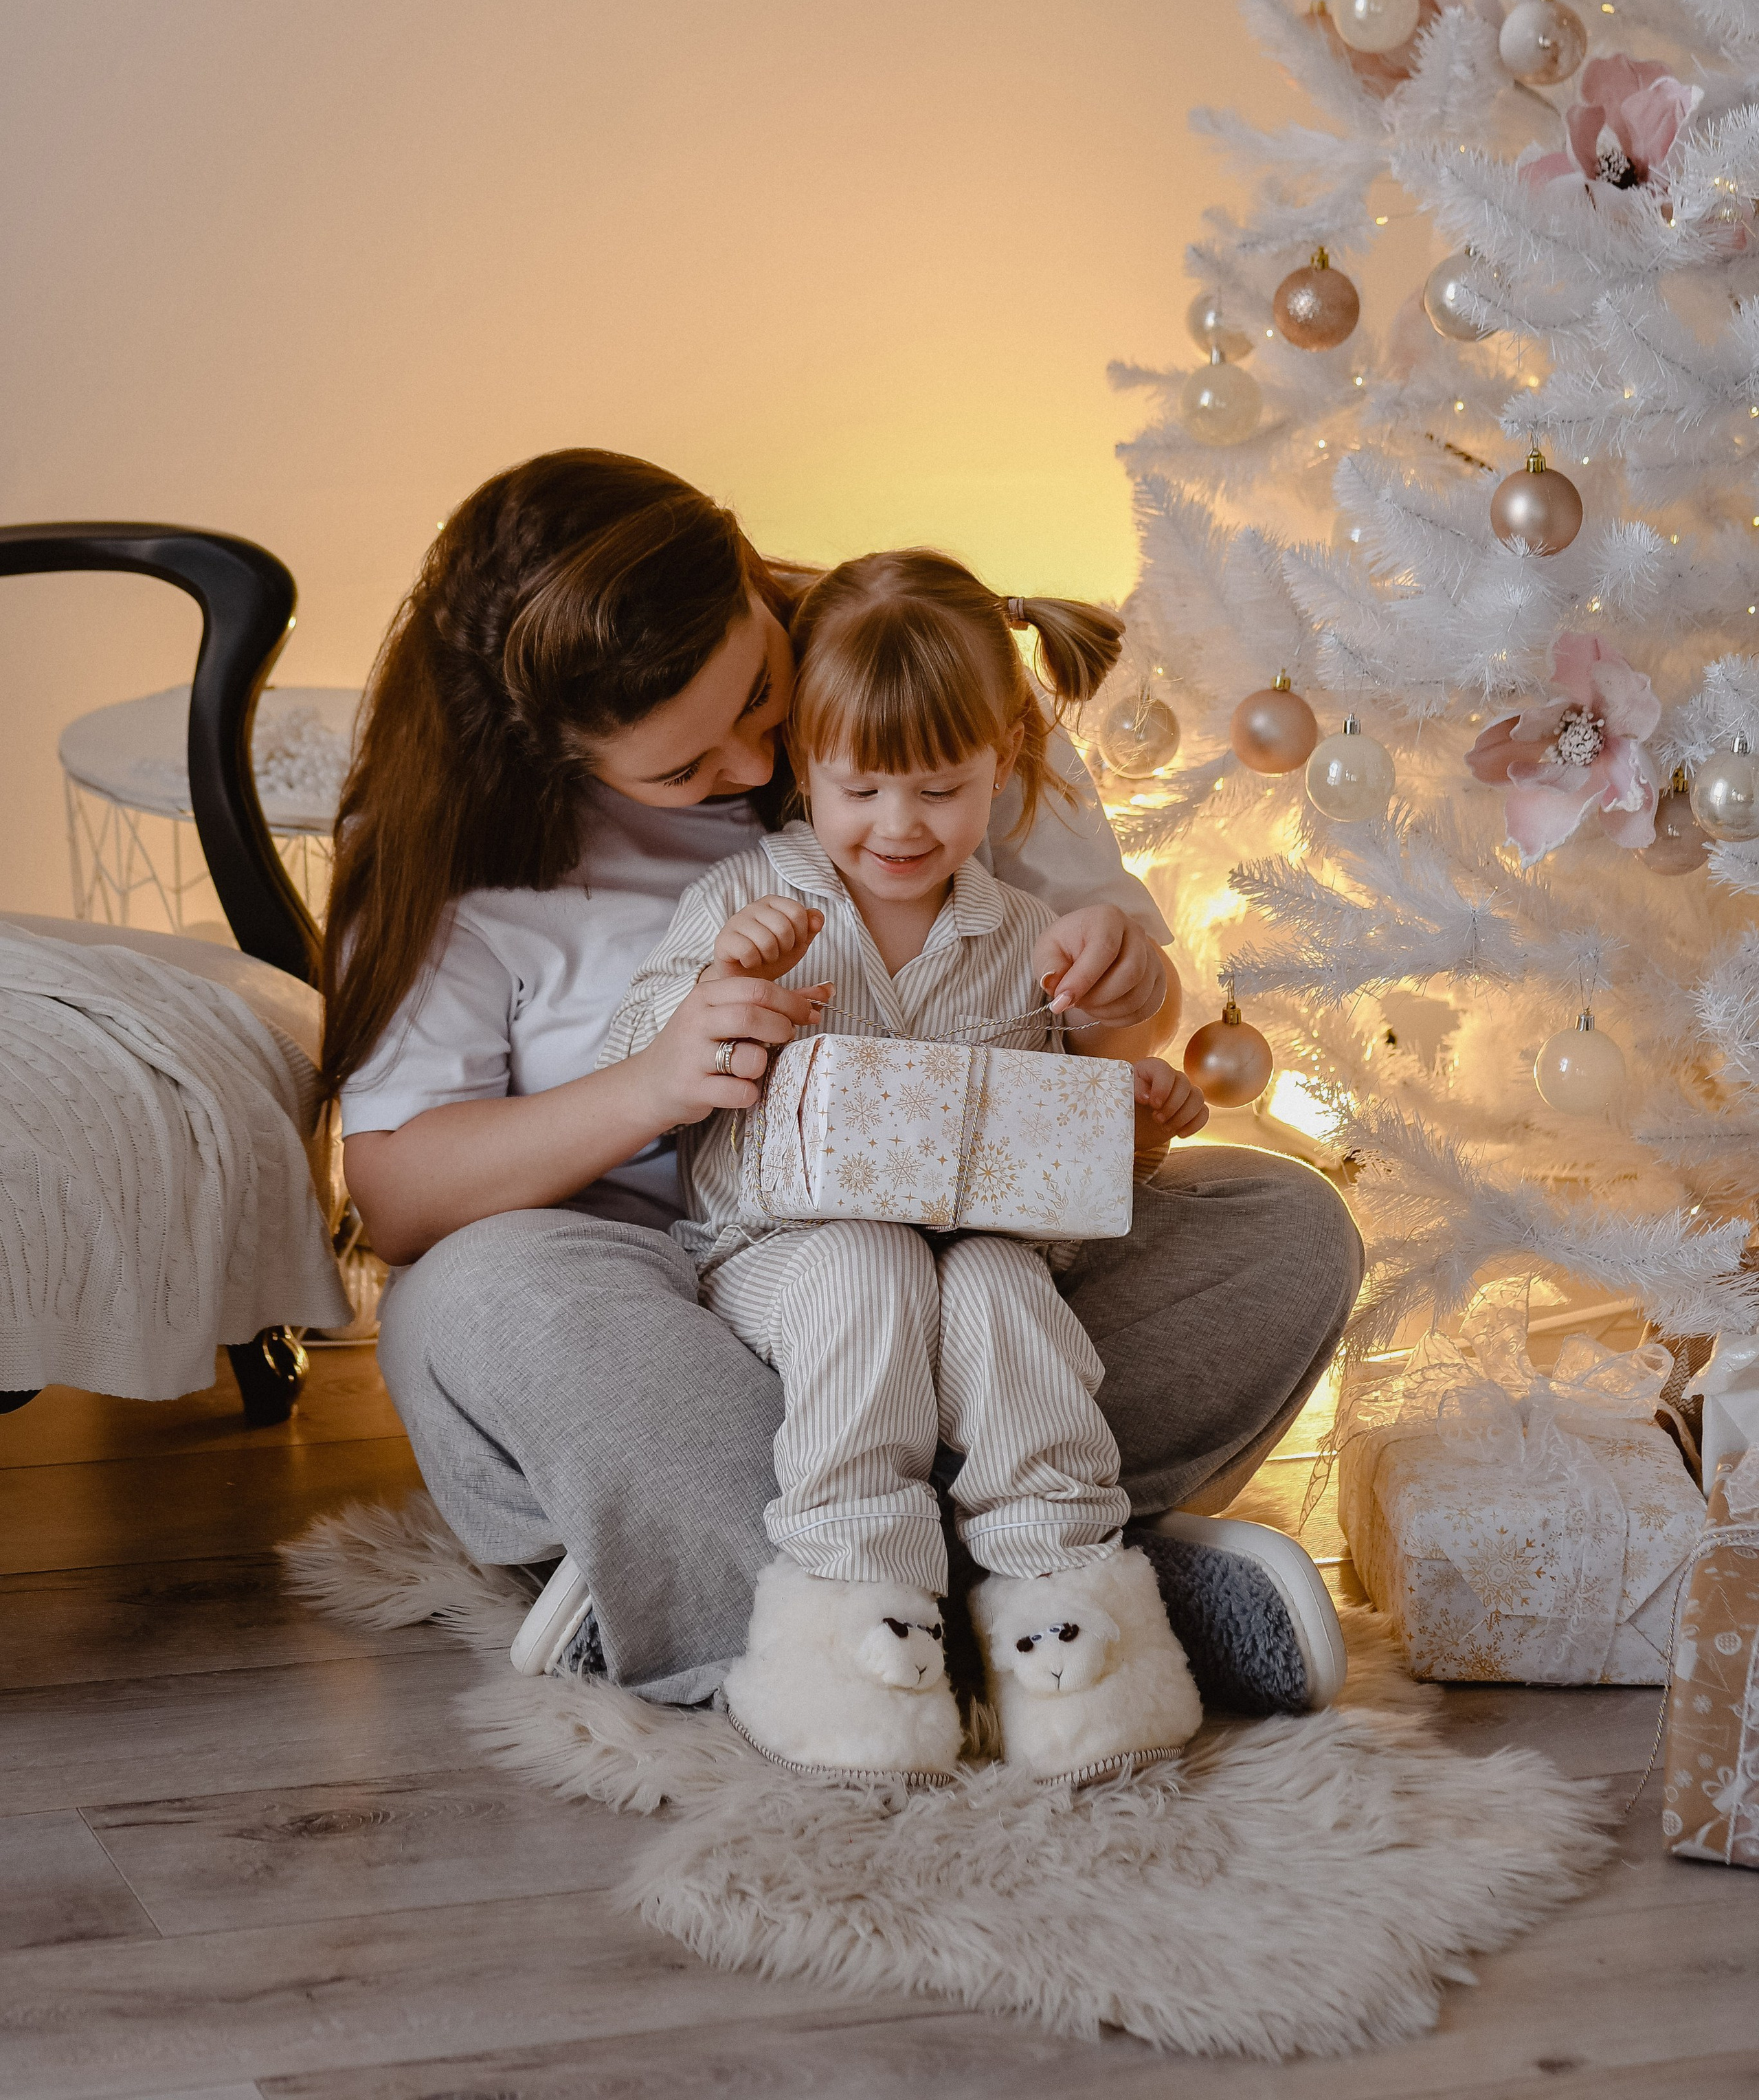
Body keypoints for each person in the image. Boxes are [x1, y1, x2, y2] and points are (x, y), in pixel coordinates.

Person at [332, 449, 1357, 1717]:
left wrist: (1119, 1028)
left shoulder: (910, 680)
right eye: (686, 772)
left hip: (962, 1274)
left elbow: (1113, 1034)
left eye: (762, 692)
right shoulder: (458, 846)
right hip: (666, 1300)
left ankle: (779, 1589)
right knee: (503, 1292)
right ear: (555, 757)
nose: (763, 761)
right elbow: (394, 1195)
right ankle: (1040, 1602)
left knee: (1284, 1222)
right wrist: (655, 1083)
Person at [597, 549, 1206, 1784]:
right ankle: (851, 1615)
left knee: (999, 1295)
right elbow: (640, 1068)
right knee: (866, 1270)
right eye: (860, 788)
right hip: (786, 1257)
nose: (900, 826)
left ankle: (1063, 1614)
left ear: (1004, 770)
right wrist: (726, 989)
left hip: (985, 1246)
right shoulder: (745, 900)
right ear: (803, 770)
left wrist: (1138, 1088)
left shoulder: (1030, 937)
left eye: (941, 789)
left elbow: (1071, 1126)